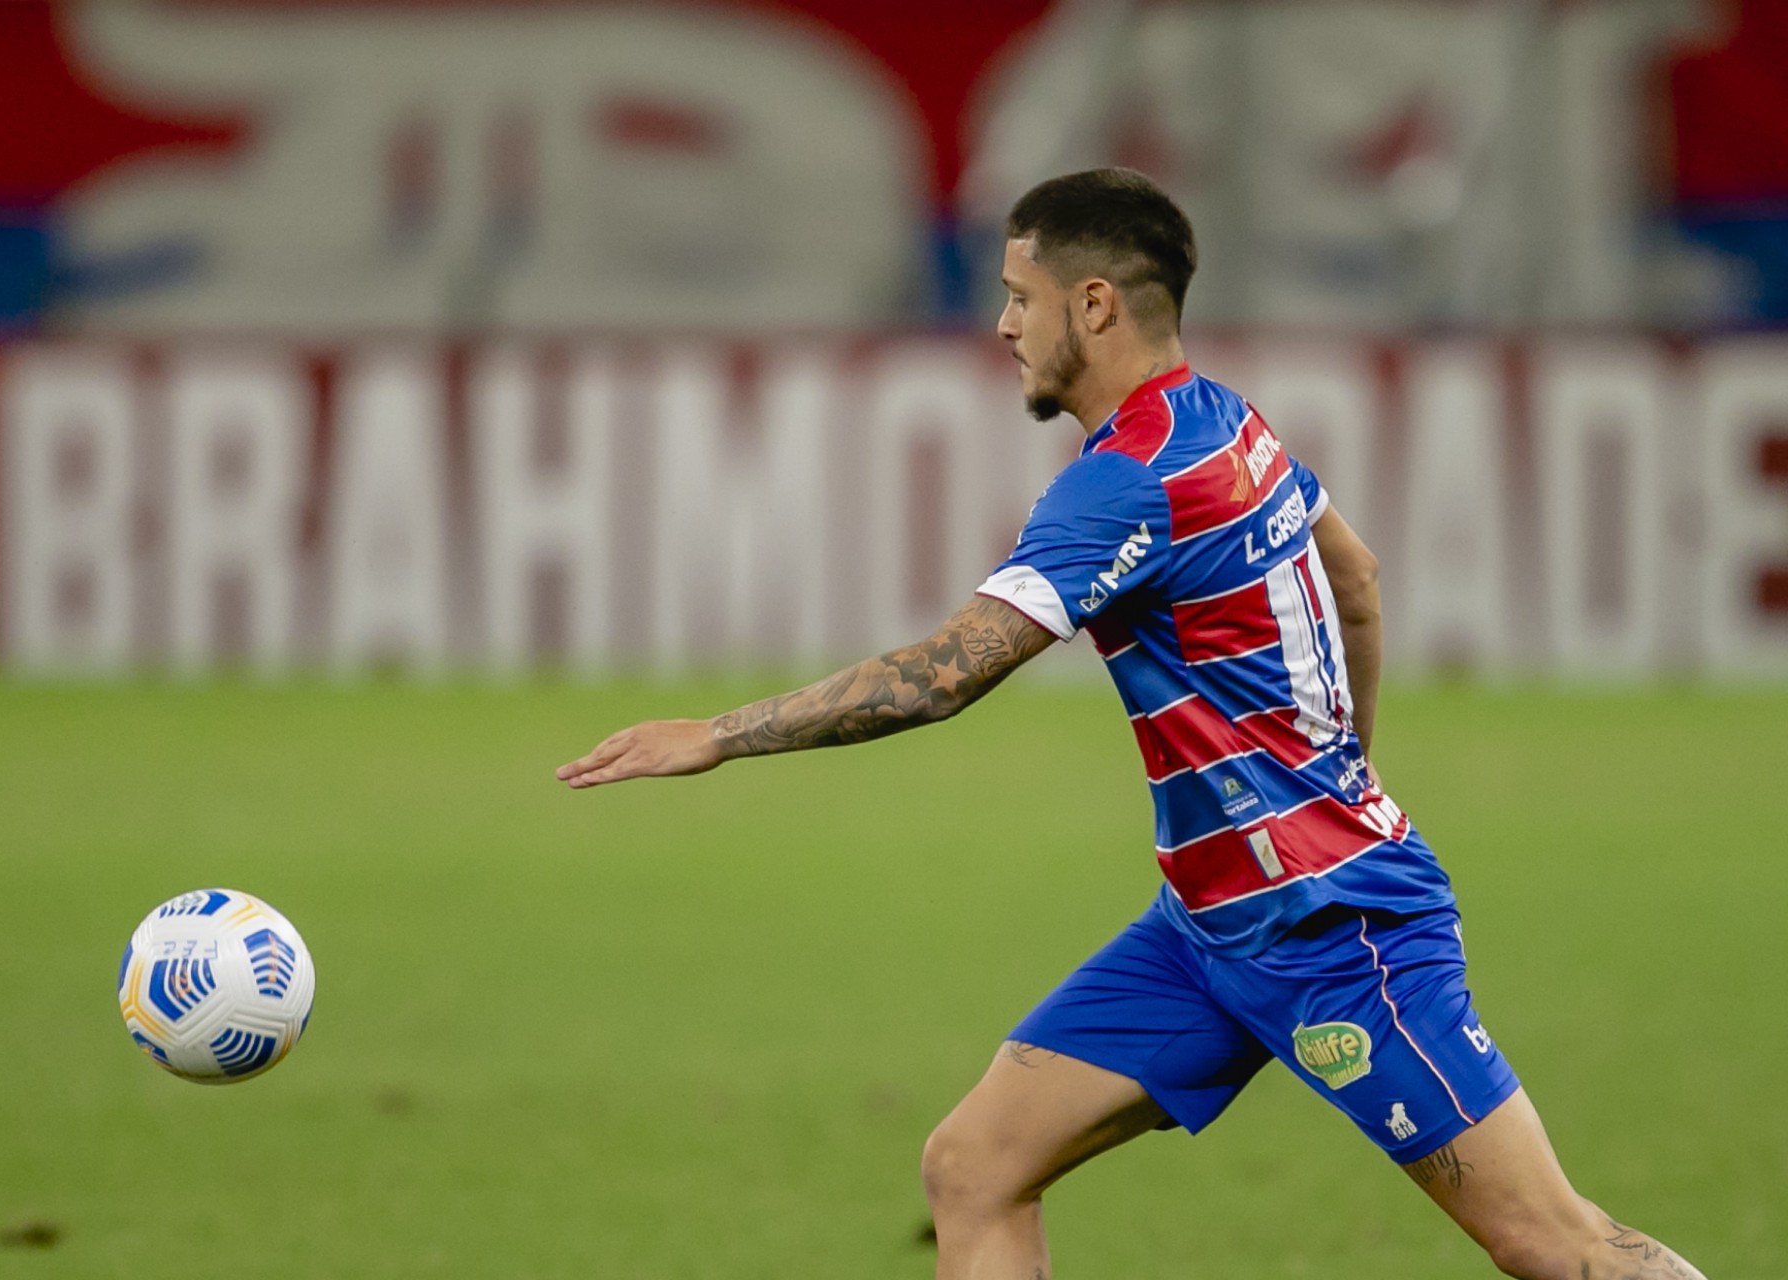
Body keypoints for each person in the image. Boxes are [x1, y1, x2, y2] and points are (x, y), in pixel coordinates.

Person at [556, 168, 1706, 1280]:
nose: (1004, 325)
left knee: (1553, 1242)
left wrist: (719, 733)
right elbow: (1354, 576)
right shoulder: (1224, 420)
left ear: (1094, 304)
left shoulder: (1127, 481)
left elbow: (940, 675)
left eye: (1020, 296)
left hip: (1333, 929)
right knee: (974, 1164)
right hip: (1205, 931)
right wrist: (1345, 769)